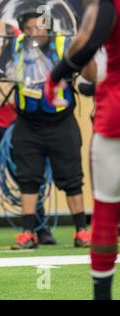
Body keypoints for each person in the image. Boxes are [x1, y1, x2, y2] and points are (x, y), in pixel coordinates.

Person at [45, 0, 119, 300]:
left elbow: (90, 40)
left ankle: (101, 295)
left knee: (106, 209)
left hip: (116, 113)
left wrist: (56, 75)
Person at [9, 3, 96, 249]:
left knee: (71, 178)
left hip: (61, 122)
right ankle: (28, 233)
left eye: (41, 25)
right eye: (30, 27)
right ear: (23, 29)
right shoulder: (15, 45)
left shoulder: (66, 43)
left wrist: (87, 47)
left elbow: (91, 75)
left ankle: (81, 231)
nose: (36, 31)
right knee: (27, 178)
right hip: (27, 123)